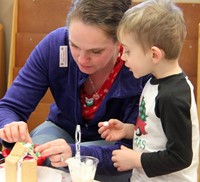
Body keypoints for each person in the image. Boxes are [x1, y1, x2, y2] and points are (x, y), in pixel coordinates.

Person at [0, 0, 150, 181]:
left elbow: (133, 149)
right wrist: (10, 126)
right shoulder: (55, 45)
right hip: (61, 129)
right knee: (38, 157)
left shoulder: (140, 64)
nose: (82, 58)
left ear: (120, 40)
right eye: (74, 46)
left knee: (84, 168)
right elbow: (10, 107)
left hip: (115, 146)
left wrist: (76, 153)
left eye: (96, 51)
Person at [98, 0, 199, 181]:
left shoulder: (172, 97)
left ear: (154, 55)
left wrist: (136, 159)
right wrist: (128, 130)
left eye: (128, 51)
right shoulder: (154, 81)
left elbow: (181, 157)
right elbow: (157, 130)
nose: (122, 57)